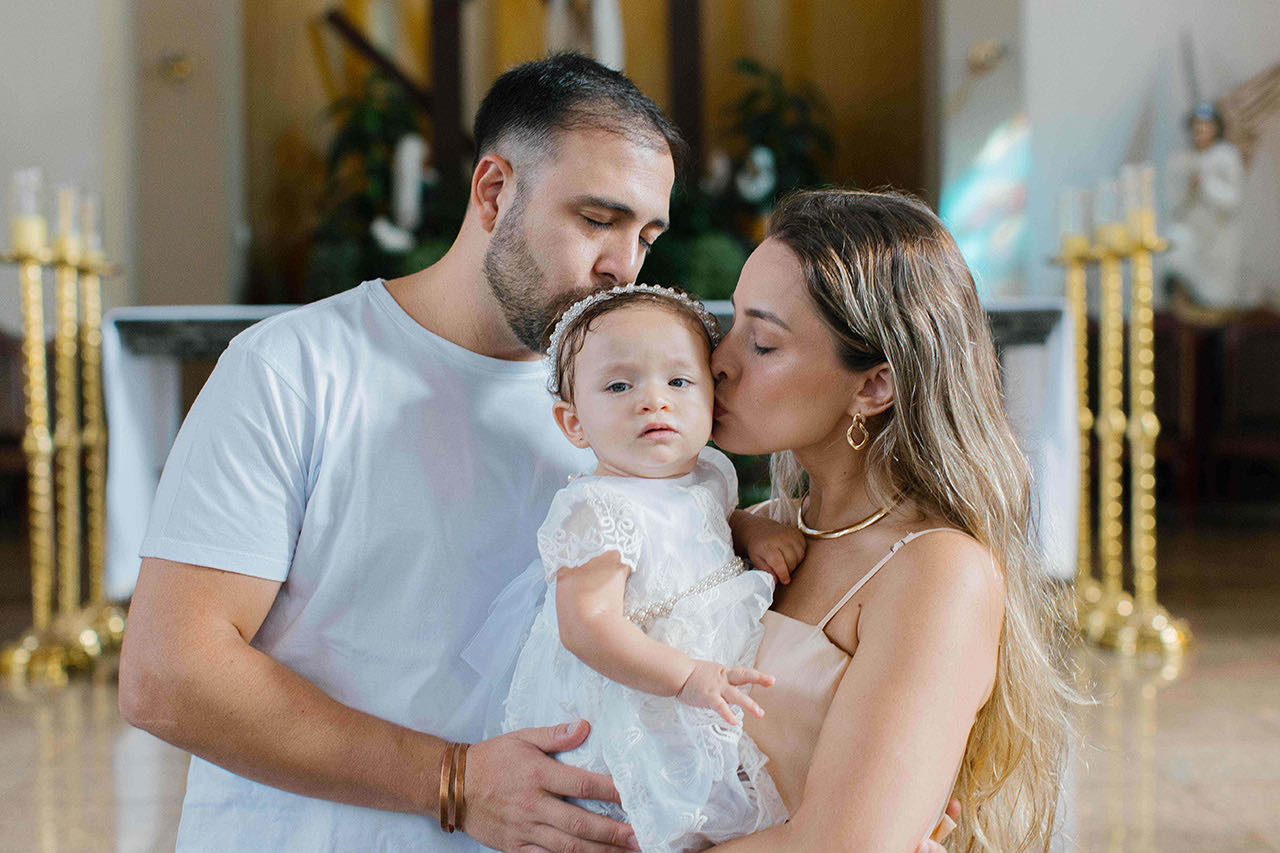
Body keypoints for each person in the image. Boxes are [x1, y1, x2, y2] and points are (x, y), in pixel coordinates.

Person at [117, 54, 682, 853]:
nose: (622, 267)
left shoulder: (623, 405)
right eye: (597, 220)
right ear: (494, 192)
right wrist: (453, 781)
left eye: (645, 236)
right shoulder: (295, 367)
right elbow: (169, 673)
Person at [708, 189, 1074, 851]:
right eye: (730, 323)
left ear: (873, 385)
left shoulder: (936, 571)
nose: (718, 362)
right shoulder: (750, 525)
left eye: (762, 343)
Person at [471, 284, 791, 852]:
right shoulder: (598, 508)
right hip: (635, 695)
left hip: (699, 690)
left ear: (711, 402)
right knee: (638, 819)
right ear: (574, 424)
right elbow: (587, 627)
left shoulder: (711, 473)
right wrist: (685, 676)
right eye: (620, 386)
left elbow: (709, 518)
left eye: (679, 381)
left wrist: (750, 528)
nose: (653, 400)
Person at [1165, 102, 1247, 313]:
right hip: (1193, 228)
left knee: (1218, 296)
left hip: (1217, 235)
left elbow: (1233, 199)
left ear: (1215, 128)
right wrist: (1190, 189)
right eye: (1197, 125)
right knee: (1177, 244)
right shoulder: (1181, 159)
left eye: (1206, 125)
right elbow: (1173, 202)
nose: (1200, 131)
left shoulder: (1226, 156)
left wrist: (1207, 184)